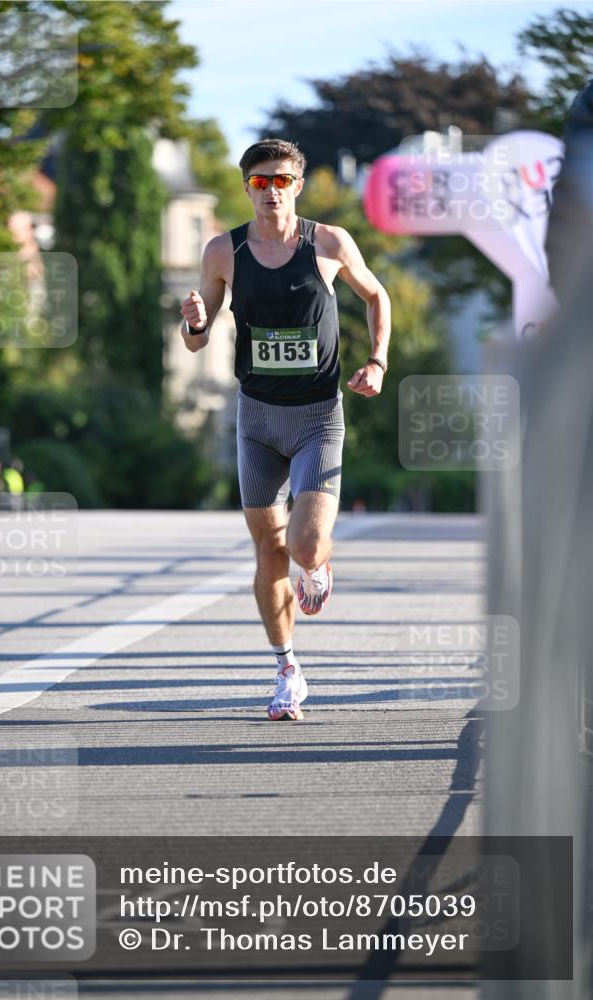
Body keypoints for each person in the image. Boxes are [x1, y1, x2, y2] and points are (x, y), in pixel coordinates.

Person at [181, 138, 391, 721]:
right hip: (255, 416)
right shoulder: (224, 251)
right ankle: (287, 669)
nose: (271, 190)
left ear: (298, 185)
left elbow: (377, 296)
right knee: (269, 550)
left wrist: (377, 360)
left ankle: (318, 562)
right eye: (259, 181)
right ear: (246, 186)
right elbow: (198, 336)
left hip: (319, 415)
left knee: (302, 545)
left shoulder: (327, 243)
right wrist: (194, 326)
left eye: (281, 180)